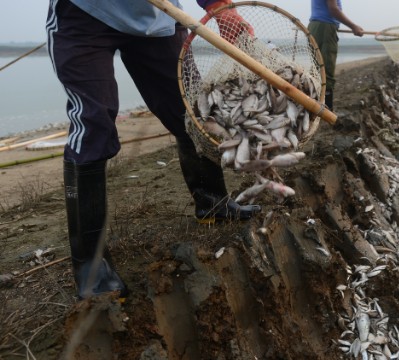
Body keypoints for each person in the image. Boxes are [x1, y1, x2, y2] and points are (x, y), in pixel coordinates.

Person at [46, 0, 259, 300]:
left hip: (157, 18)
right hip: (86, 14)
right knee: (93, 122)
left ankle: (213, 203)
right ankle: (91, 268)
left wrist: (220, 6)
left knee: (191, 111)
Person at [308, 0, 364, 110]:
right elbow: (333, 9)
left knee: (317, 69)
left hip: (317, 26)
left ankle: (314, 105)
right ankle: (327, 110)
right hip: (324, 28)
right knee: (326, 69)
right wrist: (353, 26)